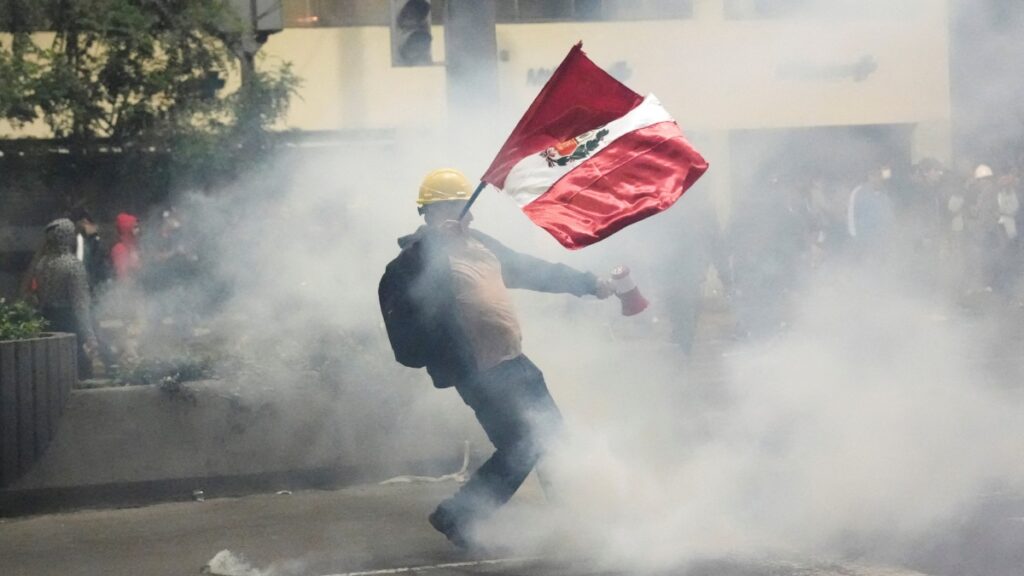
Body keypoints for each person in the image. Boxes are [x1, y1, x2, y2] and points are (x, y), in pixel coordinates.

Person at [380, 168, 614, 550]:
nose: (460, 216)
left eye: (461, 207)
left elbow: (530, 270)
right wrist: (430, 248)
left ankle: (562, 517)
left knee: (546, 438)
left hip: (513, 360)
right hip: (477, 372)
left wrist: (588, 284)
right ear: (428, 214)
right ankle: (461, 514)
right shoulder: (413, 262)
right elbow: (408, 305)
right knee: (528, 442)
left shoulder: (480, 245)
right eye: (448, 209)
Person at [23, 219, 100, 378]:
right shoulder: (73, 265)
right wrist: (89, 335)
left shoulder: (41, 263)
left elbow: (36, 296)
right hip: (70, 323)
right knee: (79, 371)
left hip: (47, 322)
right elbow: (80, 304)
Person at [70, 207, 111, 296]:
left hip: (94, 287)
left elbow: (102, 265)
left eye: (89, 222)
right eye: (85, 222)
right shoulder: (77, 242)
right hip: (84, 288)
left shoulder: (96, 242)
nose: (88, 225)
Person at [110, 212, 142, 282]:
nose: (138, 230)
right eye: (135, 227)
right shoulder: (120, 249)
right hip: (130, 289)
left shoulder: (134, 247)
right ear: (127, 229)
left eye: (138, 227)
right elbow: (123, 276)